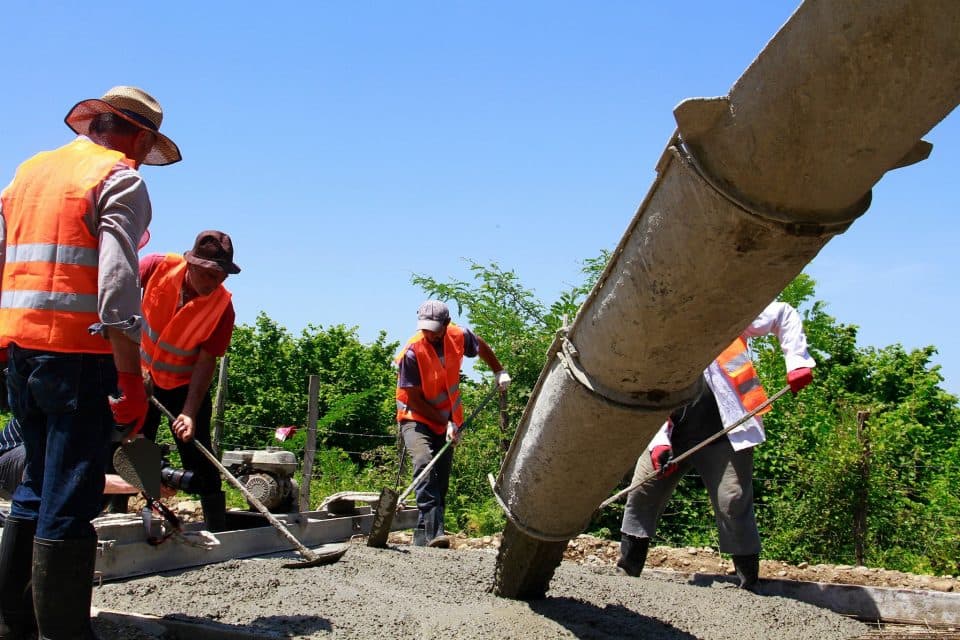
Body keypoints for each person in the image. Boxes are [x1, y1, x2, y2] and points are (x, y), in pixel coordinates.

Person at [0, 85, 180, 639]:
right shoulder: (119, 179)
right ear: (141, 136)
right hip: (80, 357)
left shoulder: (29, 173)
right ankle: (63, 633)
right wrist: (129, 374)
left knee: (34, 486)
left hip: (21, 353)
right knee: (71, 498)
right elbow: (117, 288)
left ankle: (14, 626)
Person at [616, 300, 815, 592]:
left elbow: (783, 314)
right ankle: (627, 570)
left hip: (728, 430)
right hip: (672, 433)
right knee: (643, 491)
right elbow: (648, 394)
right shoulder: (657, 331)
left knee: (733, 502)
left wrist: (797, 361)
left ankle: (748, 584)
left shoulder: (728, 310)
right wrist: (658, 442)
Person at [137, 231, 239, 533]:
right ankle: (122, 513)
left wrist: (189, 413)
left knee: (198, 452)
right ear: (190, 263)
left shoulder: (223, 307)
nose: (213, 284)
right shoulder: (154, 267)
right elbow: (117, 309)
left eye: (220, 276)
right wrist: (129, 369)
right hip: (138, 378)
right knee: (130, 446)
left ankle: (216, 526)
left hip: (183, 386)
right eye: (208, 274)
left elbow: (206, 362)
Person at [395, 300, 511, 547]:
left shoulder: (459, 335)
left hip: (446, 419)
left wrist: (498, 370)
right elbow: (414, 398)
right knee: (425, 463)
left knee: (441, 476)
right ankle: (434, 533)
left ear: (446, 324)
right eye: (424, 328)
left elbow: (480, 347)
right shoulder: (412, 352)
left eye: (433, 329)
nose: (428, 334)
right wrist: (445, 421)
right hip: (415, 417)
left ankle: (422, 537)